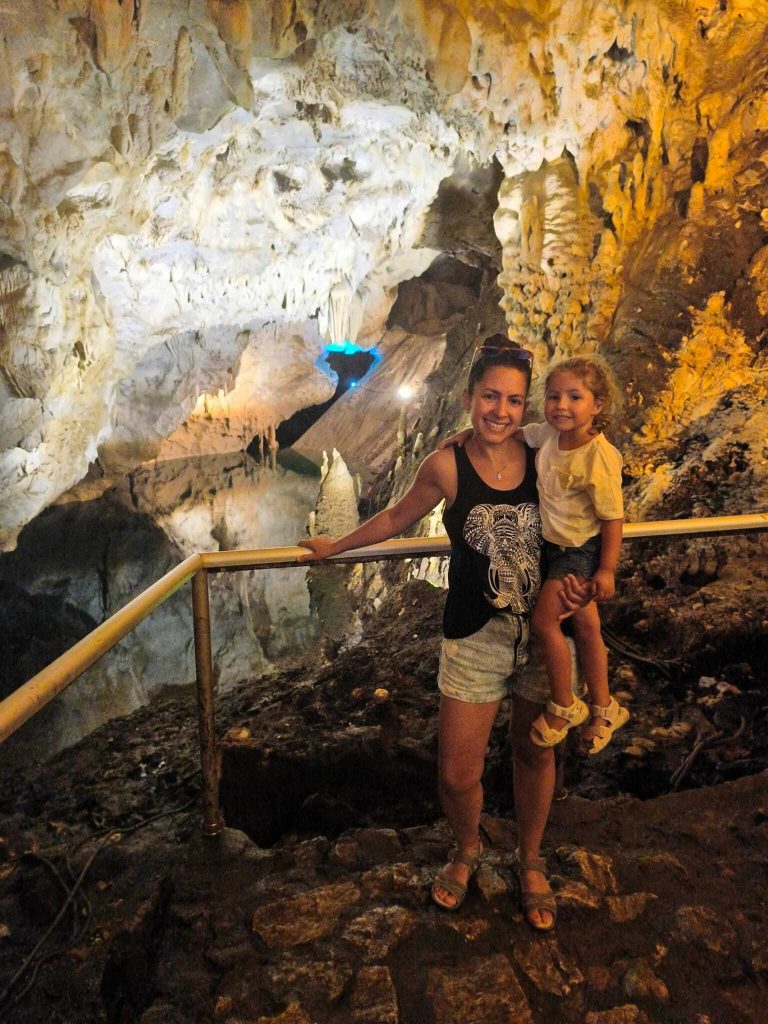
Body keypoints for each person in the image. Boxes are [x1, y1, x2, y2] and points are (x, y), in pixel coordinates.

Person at [297, 334, 589, 931]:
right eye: (489, 397)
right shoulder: (446, 464)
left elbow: (595, 493)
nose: (500, 411)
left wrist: (593, 576)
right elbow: (397, 516)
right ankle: (468, 849)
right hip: (473, 633)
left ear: (526, 407)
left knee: (535, 752)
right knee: (458, 771)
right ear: (468, 397)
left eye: (512, 401)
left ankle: (530, 859)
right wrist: (337, 546)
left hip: (543, 631)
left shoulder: (545, 453)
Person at [521, 356, 628, 755]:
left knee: (545, 622)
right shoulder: (548, 434)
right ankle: (604, 707)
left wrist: (605, 569)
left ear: (597, 405)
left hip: (579, 552)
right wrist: (467, 438)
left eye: (574, 397)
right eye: (553, 396)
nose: (561, 406)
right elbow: (517, 435)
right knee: (586, 628)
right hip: (552, 547)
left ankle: (565, 704)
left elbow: (613, 517)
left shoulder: (598, 456)